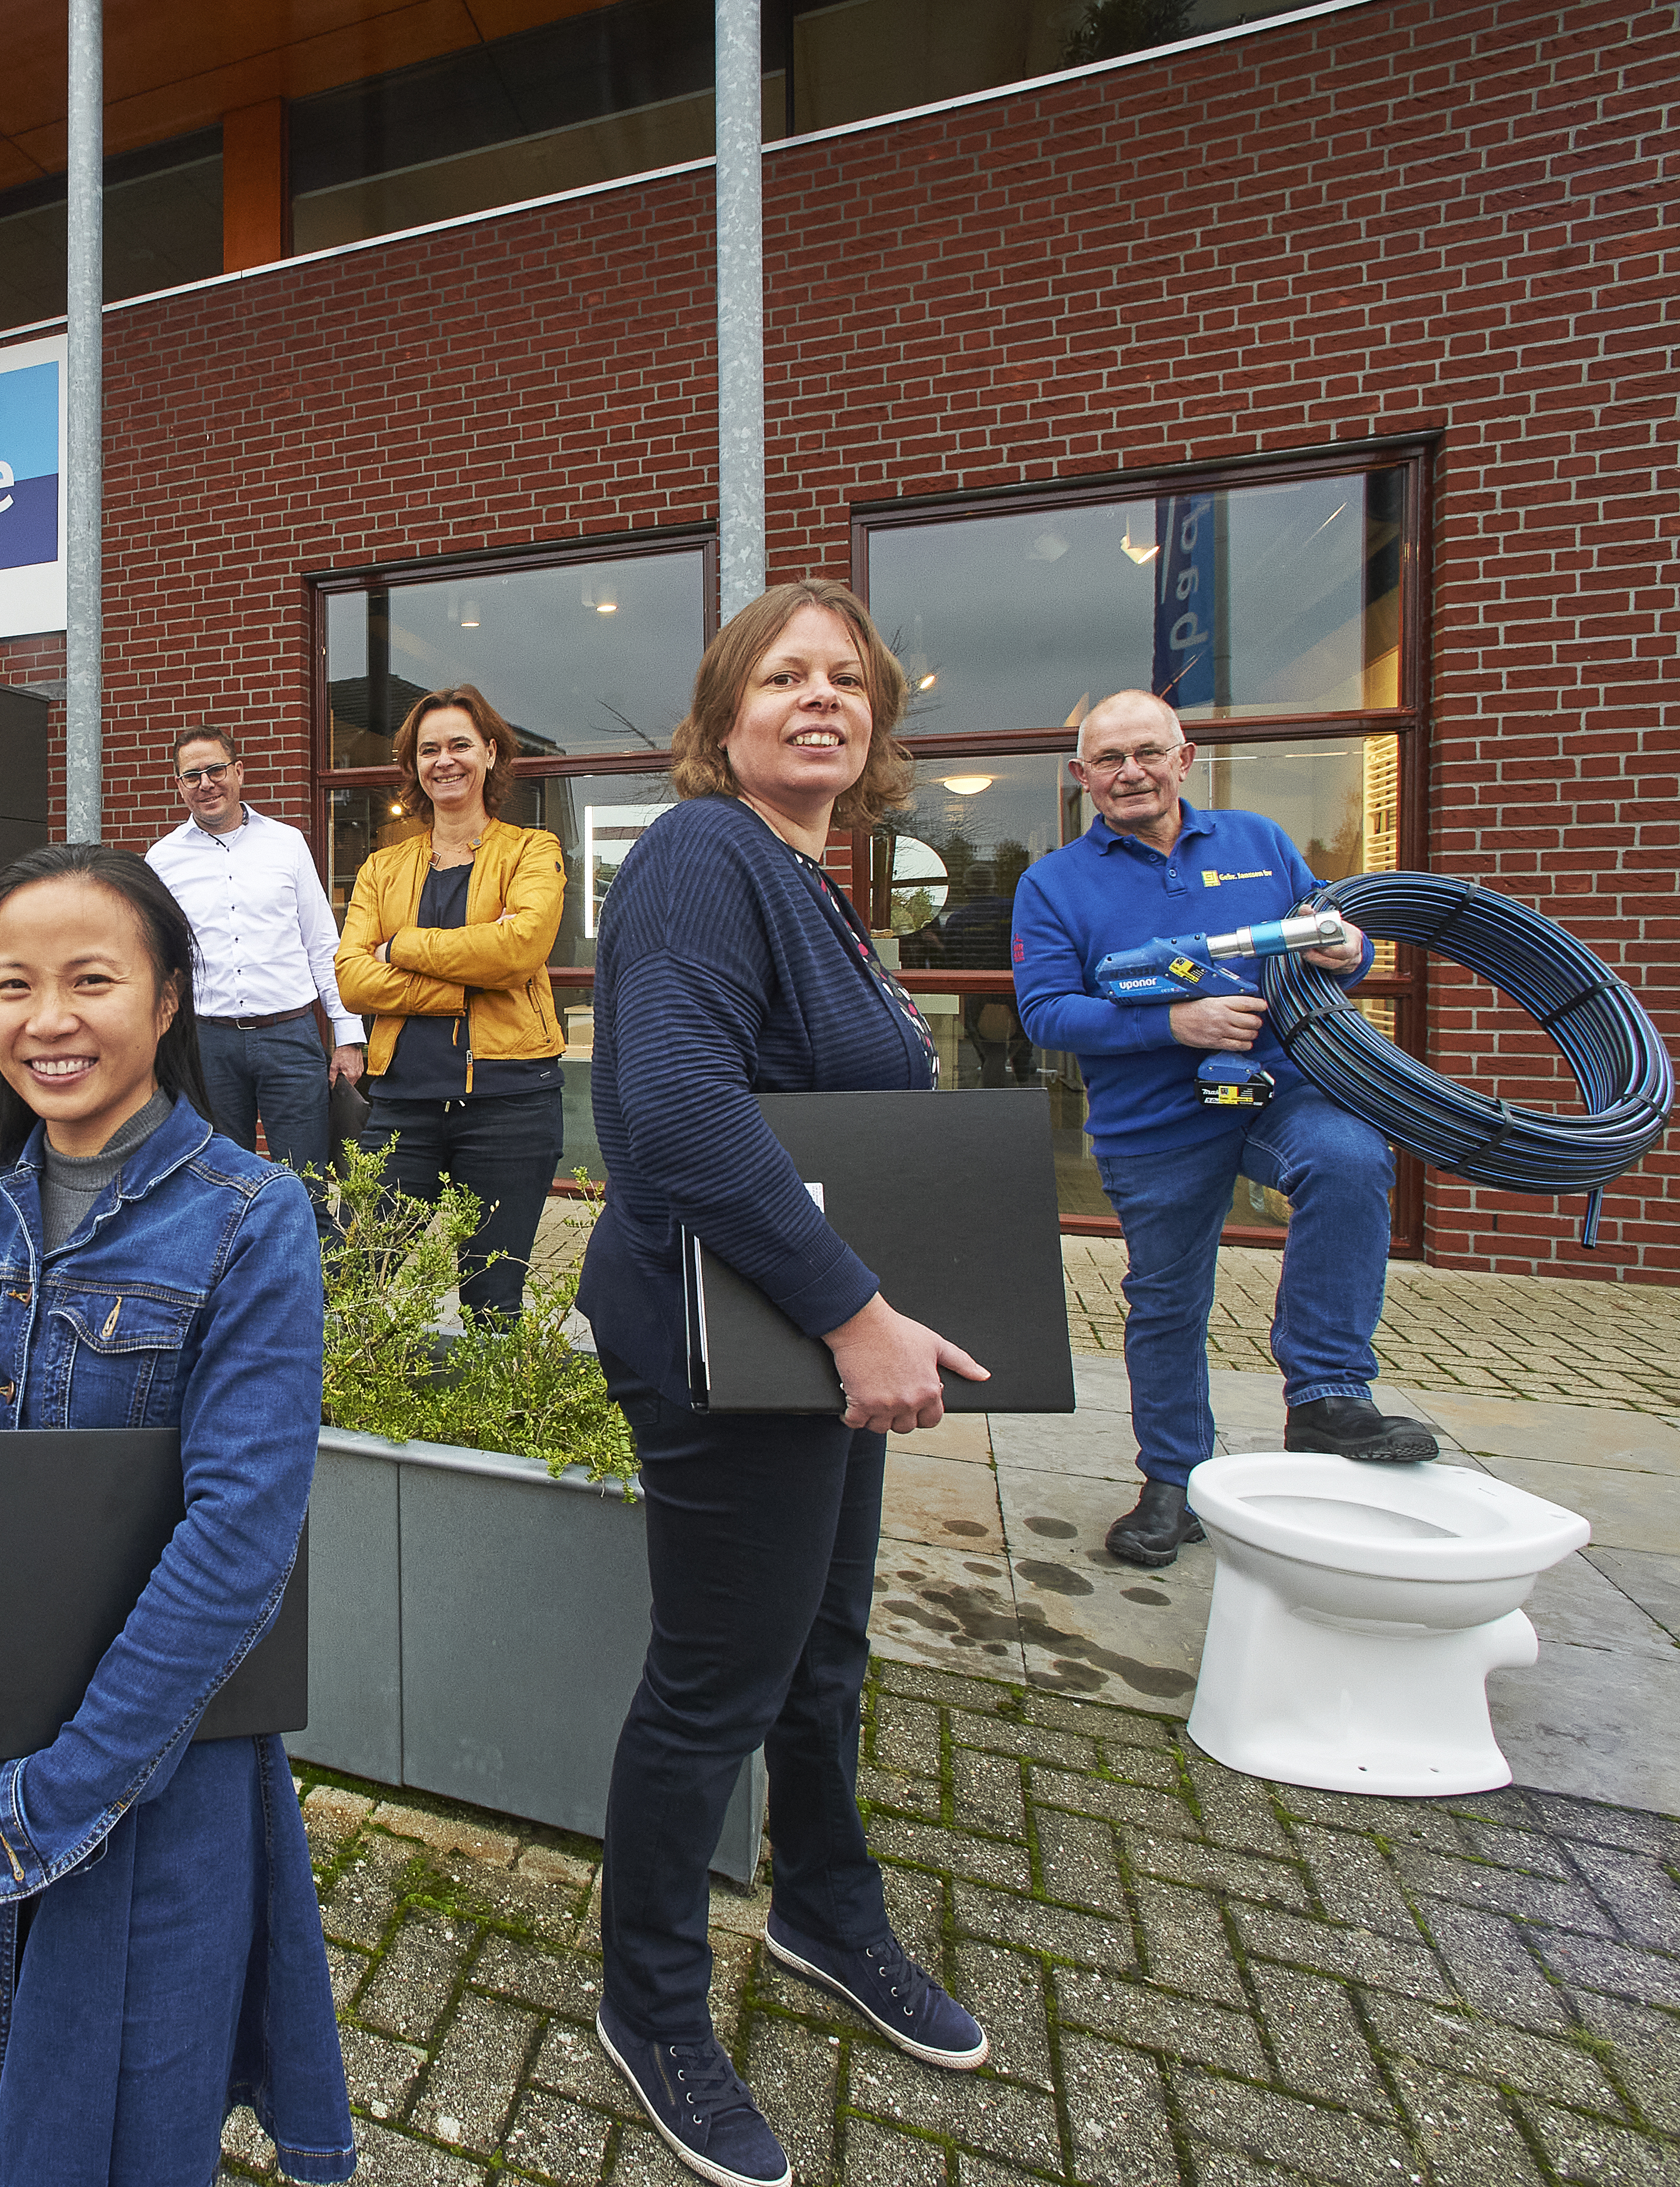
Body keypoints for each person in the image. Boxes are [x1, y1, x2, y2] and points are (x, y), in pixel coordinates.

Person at [0, 842, 355, 2185]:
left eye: (91, 979)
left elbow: (237, 1541)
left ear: (167, 1000)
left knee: (116, 2114)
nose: (48, 1019)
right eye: (11, 983)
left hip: (152, 1760)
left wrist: (52, 1799)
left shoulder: (251, 1219)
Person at [577, 581, 993, 2187]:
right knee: (714, 1683)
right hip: (728, 1330)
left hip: (808, 1334)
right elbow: (677, 1114)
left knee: (819, 1650)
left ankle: (822, 1906)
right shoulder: (702, 852)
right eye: (781, 676)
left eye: (845, 679)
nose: (819, 696)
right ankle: (647, 2000)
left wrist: (870, 1310)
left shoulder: (811, 886)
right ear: (721, 715)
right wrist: (852, 1312)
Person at [1011, 689, 1434, 1569]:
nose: (1130, 772)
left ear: (1184, 758)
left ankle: (1324, 1395)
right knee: (1167, 1300)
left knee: (1350, 1159)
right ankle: (1175, 1481)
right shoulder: (1052, 884)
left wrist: (1349, 950)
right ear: (1082, 775)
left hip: (1280, 1090)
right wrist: (1174, 1023)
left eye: (1147, 752)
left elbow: (1335, 941)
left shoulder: (1259, 843)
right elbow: (1046, 1012)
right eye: (1109, 759)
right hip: (1152, 1119)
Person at [333, 686, 568, 1317]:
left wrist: (401, 947)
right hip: (401, 1104)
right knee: (354, 1277)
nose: (444, 760)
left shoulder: (532, 850)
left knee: (491, 1299)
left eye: (459, 744)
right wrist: (469, 978)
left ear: (489, 752)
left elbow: (518, 951)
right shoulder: (382, 868)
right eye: (428, 749)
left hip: (510, 1103)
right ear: (413, 764)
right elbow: (353, 980)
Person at [145, 725, 364, 1182]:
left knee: (307, 1181)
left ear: (239, 772)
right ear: (179, 786)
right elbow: (156, 959)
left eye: (216, 770)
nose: (206, 784)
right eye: (192, 776)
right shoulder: (162, 860)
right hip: (208, 1043)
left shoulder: (287, 843)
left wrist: (347, 1035)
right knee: (221, 1181)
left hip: (290, 1037)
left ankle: (308, 1236)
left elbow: (323, 944)